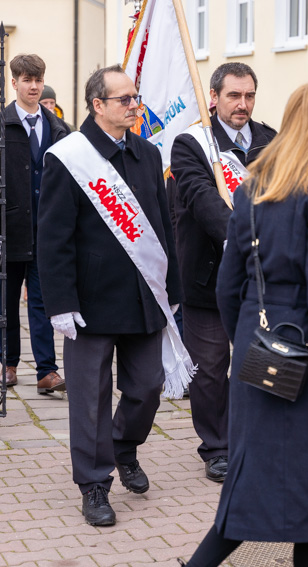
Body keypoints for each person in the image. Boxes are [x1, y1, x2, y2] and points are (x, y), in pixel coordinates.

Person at [181, 82, 308, 567]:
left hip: (263, 352)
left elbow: (230, 285)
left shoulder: (254, 185)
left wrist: (252, 337)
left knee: (250, 488)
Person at [37, 65, 186, 526]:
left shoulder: (145, 152)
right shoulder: (68, 157)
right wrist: (60, 305)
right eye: (124, 99)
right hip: (90, 303)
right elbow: (54, 238)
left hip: (143, 299)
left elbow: (162, 229)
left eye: (135, 97)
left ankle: (123, 447)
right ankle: (95, 484)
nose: (133, 105)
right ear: (98, 105)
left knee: (147, 387)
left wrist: (172, 289)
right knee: (90, 399)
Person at [170, 62, 276, 483]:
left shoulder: (272, 140)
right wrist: (242, 237)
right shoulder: (191, 143)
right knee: (210, 366)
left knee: (260, 361)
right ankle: (217, 447)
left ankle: (255, 437)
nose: (243, 104)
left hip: (263, 278)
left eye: (249, 95)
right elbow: (199, 196)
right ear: (213, 97)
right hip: (209, 274)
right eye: (234, 96)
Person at [0, 54, 70, 393]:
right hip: (10, 230)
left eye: (38, 79)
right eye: (26, 79)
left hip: (46, 231)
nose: (33, 86)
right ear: (14, 82)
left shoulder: (58, 127)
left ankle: (47, 370)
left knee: (42, 304)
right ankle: (9, 363)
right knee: (7, 302)